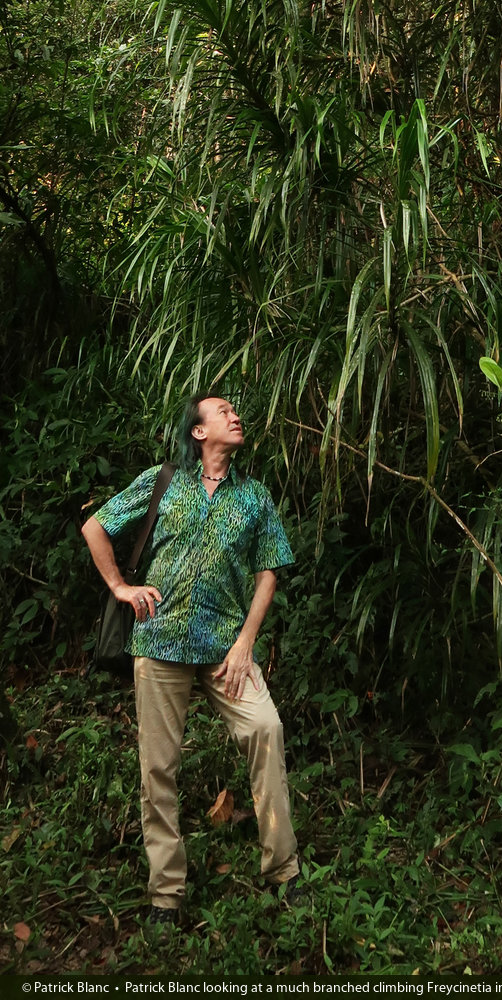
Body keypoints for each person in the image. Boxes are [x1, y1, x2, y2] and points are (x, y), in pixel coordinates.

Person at [81, 394, 303, 925]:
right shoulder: (164, 481)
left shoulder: (254, 497)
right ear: (199, 432)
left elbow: (269, 572)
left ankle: (284, 871)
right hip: (160, 642)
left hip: (227, 649)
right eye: (222, 410)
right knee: (158, 767)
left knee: (265, 728)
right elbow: (95, 527)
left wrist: (246, 641)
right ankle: (166, 894)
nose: (235, 415)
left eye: (235, 410)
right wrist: (120, 587)